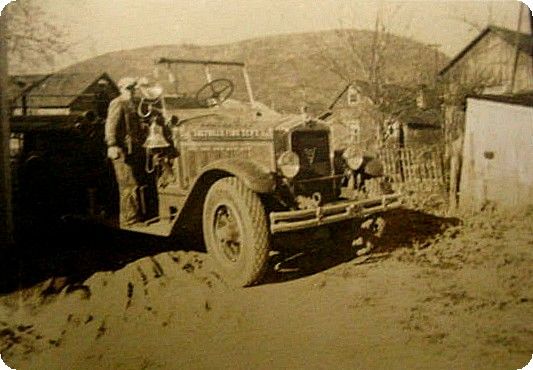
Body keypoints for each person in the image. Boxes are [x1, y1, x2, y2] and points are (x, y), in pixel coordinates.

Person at [105, 77, 144, 226]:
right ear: (121, 89)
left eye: (133, 89)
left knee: (135, 182)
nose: (132, 91)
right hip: (121, 151)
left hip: (134, 150)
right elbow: (110, 126)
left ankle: (136, 216)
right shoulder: (117, 103)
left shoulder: (133, 104)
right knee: (128, 184)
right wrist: (112, 145)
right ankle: (129, 220)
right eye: (129, 88)